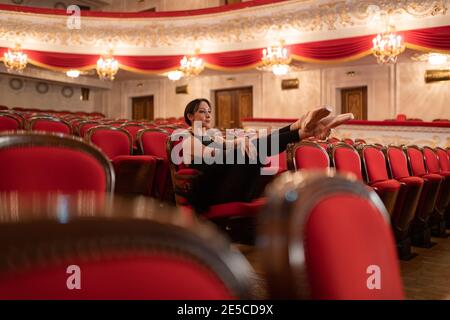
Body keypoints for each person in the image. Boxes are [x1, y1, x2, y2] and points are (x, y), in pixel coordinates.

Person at [177, 98, 353, 213]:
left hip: (232, 185)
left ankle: (301, 126)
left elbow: (243, 143)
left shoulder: (214, 136)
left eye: (209, 111)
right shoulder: (187, 140)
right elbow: (218, 155)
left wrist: (244, 142)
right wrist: (243, 144)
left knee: (255, 145)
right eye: (202, 111)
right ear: (190, 116)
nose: (208, 114)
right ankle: (305, 131)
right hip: (211, 194)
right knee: (252, 149)